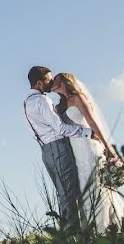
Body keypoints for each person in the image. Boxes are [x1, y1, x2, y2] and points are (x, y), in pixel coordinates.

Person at [51, 72, 124, 232]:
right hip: (74, 150)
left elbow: (93, 121)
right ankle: (90, 227)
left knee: (96, 184)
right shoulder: (59, 106)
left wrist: (108, 148)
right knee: (82, 185)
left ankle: (105, 226)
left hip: (88, 146)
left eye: (55, 78)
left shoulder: (78, 98)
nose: (52, 81)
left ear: (64, 81)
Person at [23, 66, 96, 229]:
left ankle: (69, 235)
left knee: (62, 194)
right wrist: (88, 132)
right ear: (39, 82)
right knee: (69, 196)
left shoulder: (26, 103)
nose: (50, 83)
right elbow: (61, 129)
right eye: (48, 80)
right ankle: (73, 238)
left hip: (45, 152)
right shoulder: (43, 101)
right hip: (58, 149)